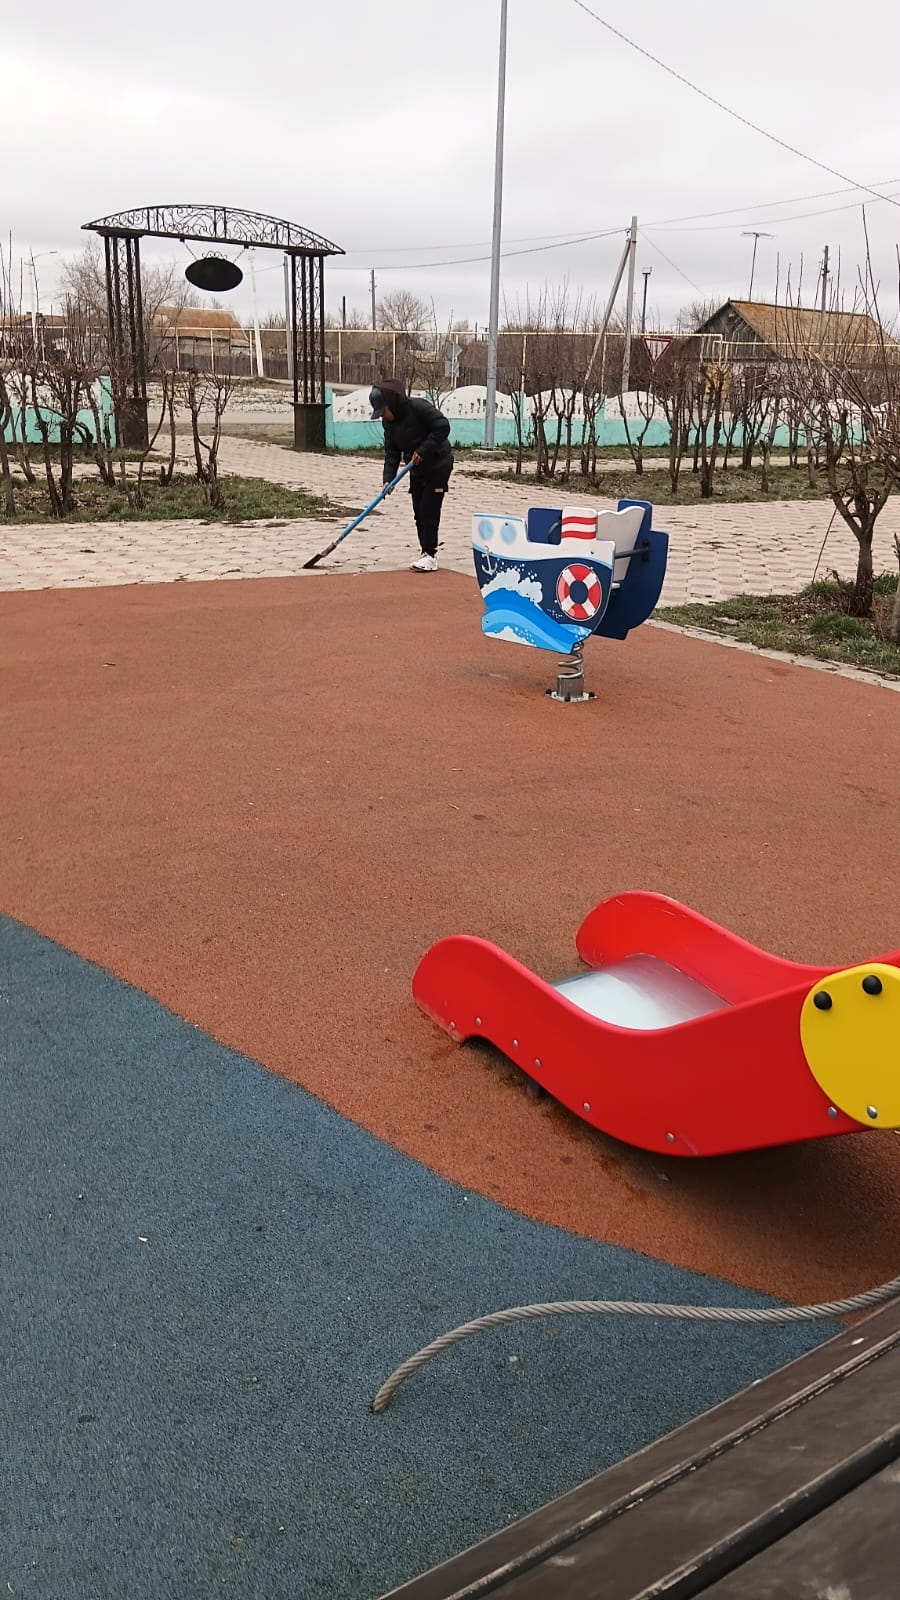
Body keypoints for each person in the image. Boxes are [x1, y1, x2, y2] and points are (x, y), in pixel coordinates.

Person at [370, 380, 454, 572]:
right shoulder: (388, 424)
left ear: (392, 403)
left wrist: (423, 450)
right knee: (418, 512)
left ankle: (430, 555)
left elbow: (442, 426)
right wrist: (388, 479)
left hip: (438, 464)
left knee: (428, 510)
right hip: (416, 468)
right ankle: (425, 553)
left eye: (384, 411)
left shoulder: (417, 407)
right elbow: (391, 453)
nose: (384, 416)